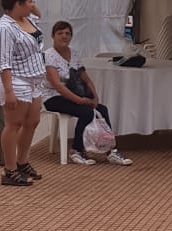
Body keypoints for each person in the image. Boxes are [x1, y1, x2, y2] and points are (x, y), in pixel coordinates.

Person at [43, 21, 132, 166]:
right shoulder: (48, 56)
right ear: (53, 36)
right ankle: (76, 151)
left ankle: (110, 151)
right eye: (60, 33)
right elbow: (58, 86)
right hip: (54, 97)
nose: (64, 36)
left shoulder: (74, 54)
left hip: (74, 95)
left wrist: (94, 97)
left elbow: (86, 79)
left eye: (67, 33)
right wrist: (80, 101)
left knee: (102, 109)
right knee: (86, 112)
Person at [0, 0, 45, 187]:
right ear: (18, 4)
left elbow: (39, 15)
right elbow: (3, 63)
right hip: (16, 79)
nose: (33, 4)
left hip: (33, 79)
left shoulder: (27, 18)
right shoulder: (5, 29)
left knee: (32, 121)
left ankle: (22, 162)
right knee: (14, 124)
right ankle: (9, 169)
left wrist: (31, 4)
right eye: (29, 1)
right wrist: (9, 91)